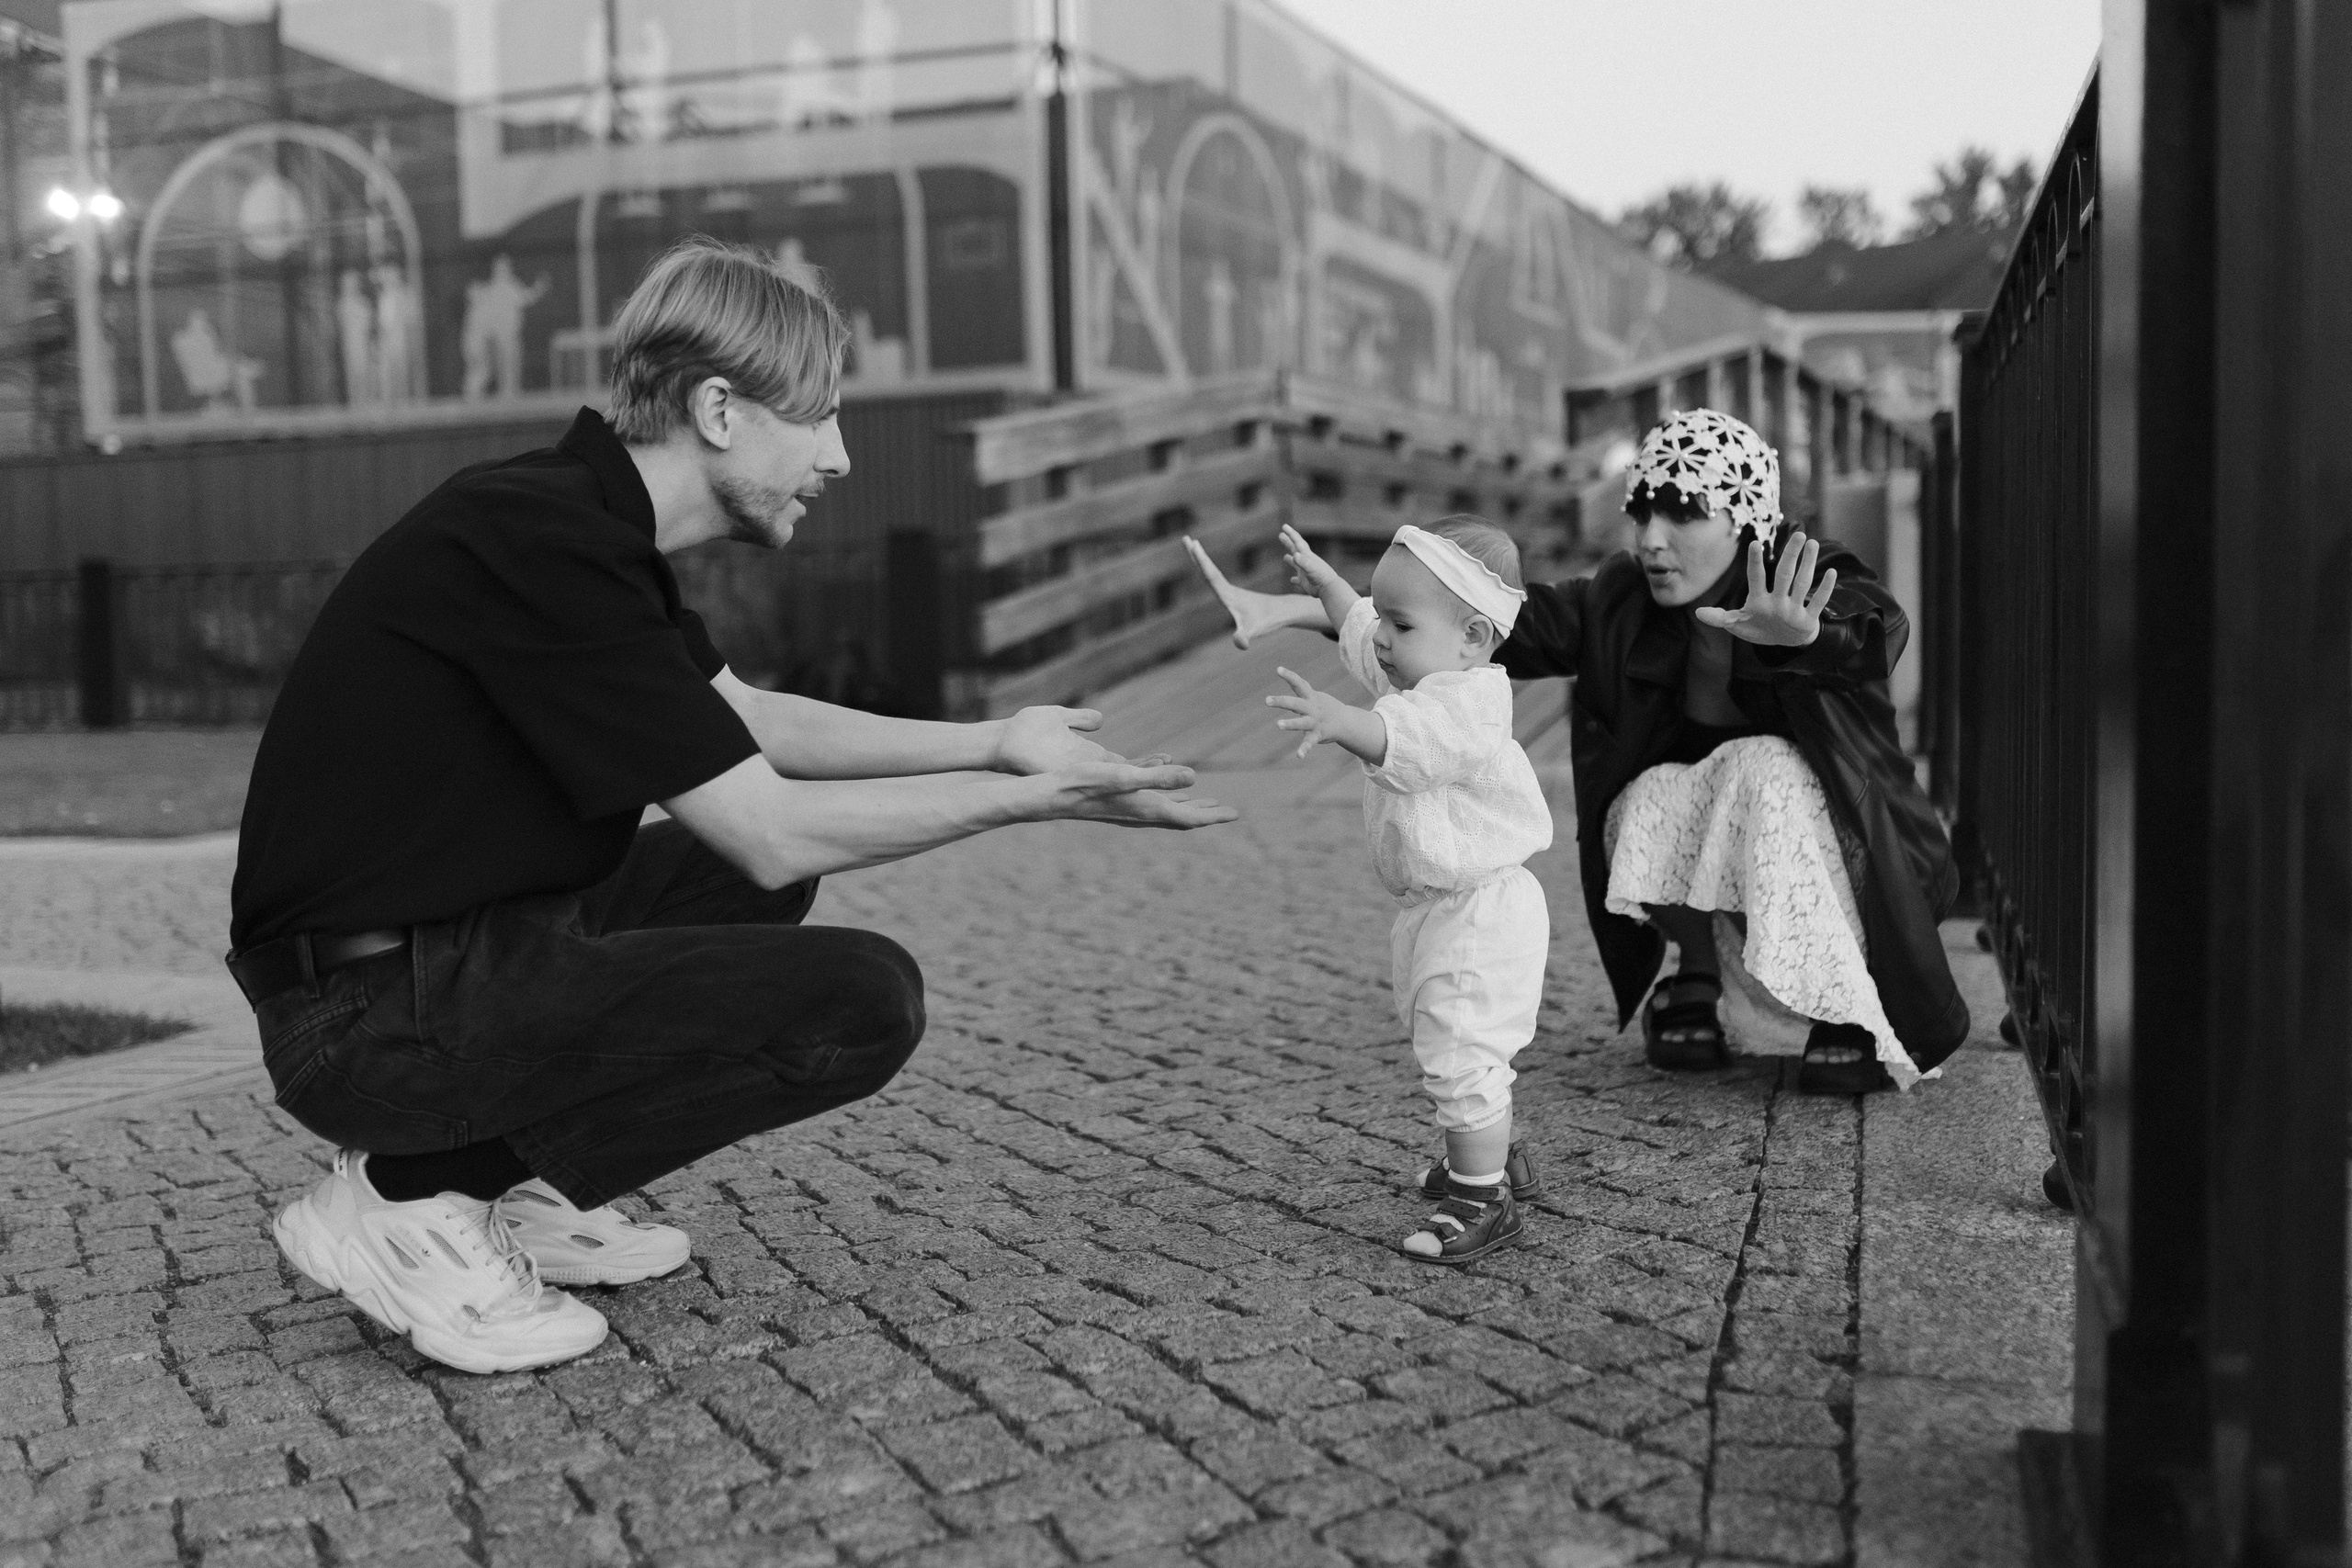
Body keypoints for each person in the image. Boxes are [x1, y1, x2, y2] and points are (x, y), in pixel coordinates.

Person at [227, 236, 1234, 1375]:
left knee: (730, 884)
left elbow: (749, 718)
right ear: (718, 410)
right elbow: (768, 831)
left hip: (441, 958)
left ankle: (505, 1175)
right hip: (366, 1021)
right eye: (821, 416)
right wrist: (1033, 802)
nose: (839, 456)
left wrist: (1000, 744)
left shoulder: (572, 526)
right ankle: (419, 1193)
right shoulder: (540, 538)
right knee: (860, 1001)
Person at [1186, 408, 1969, 1094]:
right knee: (1644, 797)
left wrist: (1806, 637)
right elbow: (1470, 623)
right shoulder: (1623, 599)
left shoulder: (1801, 577)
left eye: (1684, 514)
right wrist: (1293, 608)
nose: (1652, 540)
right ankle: (1695, 974)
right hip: (1726, 844)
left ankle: (1846, 1007)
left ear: (1743, 520)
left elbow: (1877, 630)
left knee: (1762, 766)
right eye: (1642, 513)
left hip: (1851, 859)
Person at [1250, 519, 1553, 1264]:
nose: (1383, 636)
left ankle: (1482, 1201)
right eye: (1385, 614)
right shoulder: (1421, 671)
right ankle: (1493, 1155)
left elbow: (1409, 745)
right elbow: (1359, 631)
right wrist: (1329, 585)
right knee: (1444, 1036)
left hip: (1480, 909)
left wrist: (1340, 720)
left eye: (1402, 622)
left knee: (1461, 1047)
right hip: (1439, 905)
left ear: (1474, 636)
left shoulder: (1470, 703)